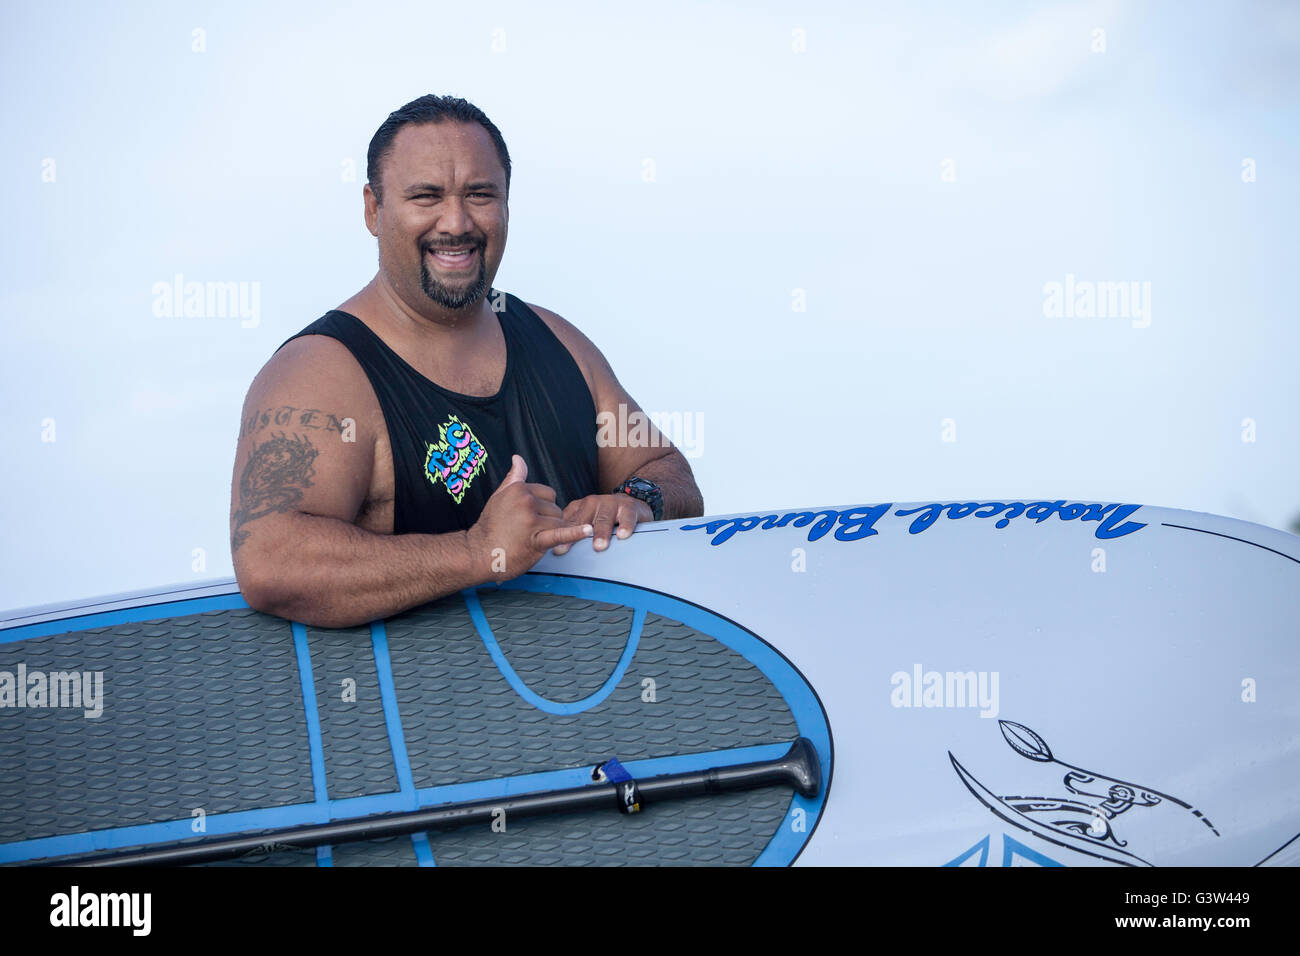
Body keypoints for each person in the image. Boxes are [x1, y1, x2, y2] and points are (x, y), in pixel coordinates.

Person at [229, 95, 703, 628]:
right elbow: (270, 562)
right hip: (425, 707)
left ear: (506, 204)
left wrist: (637, 501)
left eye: (479, 195)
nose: (455, 222)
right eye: (426, 196)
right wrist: (478, 552)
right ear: (373, 209)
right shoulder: (320, 374)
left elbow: (667, 469)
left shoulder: (558, 341)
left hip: (582, 700)